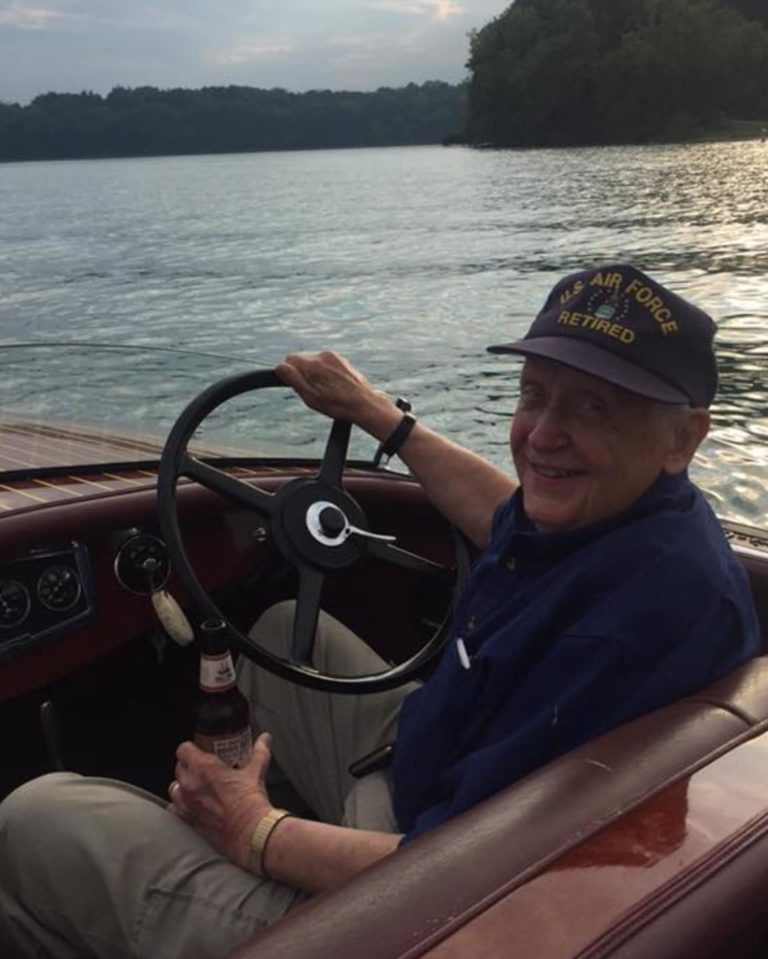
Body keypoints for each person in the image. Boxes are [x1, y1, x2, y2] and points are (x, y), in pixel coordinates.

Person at [0, 264, 760, 959]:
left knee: (37, 818)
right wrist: (379, 417)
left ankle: (227, 898)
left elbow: (479, 873)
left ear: (682, 437)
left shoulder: (628, 630)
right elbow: (502, 514)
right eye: (534, 394)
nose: (542, 435)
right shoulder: (634, 523)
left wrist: (254, 831)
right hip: (438, 786)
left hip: (414, 907)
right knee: (280, 633)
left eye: (593, 407)